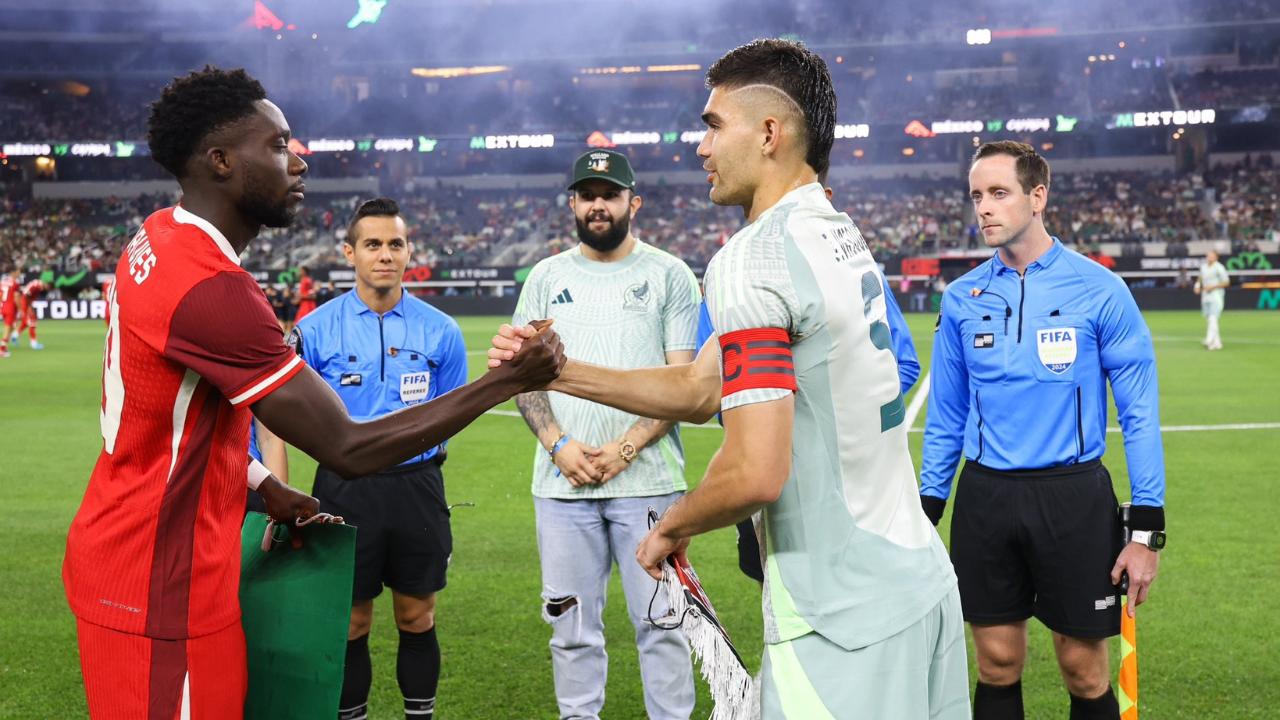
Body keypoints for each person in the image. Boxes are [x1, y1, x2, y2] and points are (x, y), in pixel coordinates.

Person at [62, 66, 563, 720]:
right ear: (219, 161)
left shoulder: (158, 235)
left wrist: (263, 486)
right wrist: (509, 379)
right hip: (158, 584)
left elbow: (169, 424)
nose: (298, 161)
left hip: (155, 559)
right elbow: (348, 446)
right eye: (277, 146)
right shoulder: (211, 289)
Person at [492, 39, 967, 719]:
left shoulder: (753, 258)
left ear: (770, 133)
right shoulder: (835, 232)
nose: (700, 148)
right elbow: (699, 388)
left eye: (714, 125)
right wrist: (559, 371)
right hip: (919, 587)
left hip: (841, 618)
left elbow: (753, 471)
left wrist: (669, 528)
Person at [919, 141, 1166, 720]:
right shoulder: (961, 298)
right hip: (986, 499)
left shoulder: (1100, 290)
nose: (983, 208)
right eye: (976, 195)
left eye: (998, 194)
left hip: (1073, 498)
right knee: (996, 664)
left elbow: (1139, 415)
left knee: (1084, 671)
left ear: (1038, 197)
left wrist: (1146, 530)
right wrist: (926, 512)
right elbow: (947, 416)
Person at [512, 149, 699, 720]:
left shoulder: (669, 273)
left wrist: (625, 447)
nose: (598, 205)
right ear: (572, 202)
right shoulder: (545, 277)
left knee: (663, 627)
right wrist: (558, 445)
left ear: (632, 202)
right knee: (570, 630)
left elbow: (683, 382)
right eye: (587, 194)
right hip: (561, 486)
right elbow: (522, 378)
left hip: (648, 483)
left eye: (610, 194)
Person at [291, 197, 467, 720]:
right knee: (350, 622)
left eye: (395, 244)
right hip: (345, 488)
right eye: (372, 244)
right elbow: (284, 412)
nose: (384, 255)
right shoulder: (317, 330)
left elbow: (452, 412)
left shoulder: (442, 331)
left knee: (417, 616)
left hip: (417, 488)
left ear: (409, 251)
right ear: (349, 252)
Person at [1194, 250, 1229, 350]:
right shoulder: (1203, 267)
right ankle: (1217, 342)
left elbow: (1226, 282)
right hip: (1205, 296)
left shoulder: (1219, 267)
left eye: (1211, 256)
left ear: (1216, 257)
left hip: (1216, 295)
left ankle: (1209, 340)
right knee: (1209, 319)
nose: (1209, 257)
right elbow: (1199, 278)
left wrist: (1213, 286)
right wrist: (1197, 286)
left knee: (1213, 318)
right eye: (1208, 255)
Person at [17, 275, 47, 350]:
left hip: (25, 303)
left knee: (27, 322)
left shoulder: (37, 285)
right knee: (32, 321)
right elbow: (26, 296)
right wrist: (29, 308)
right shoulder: (36, 286)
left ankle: (15, 335)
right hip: (25, 304)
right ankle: (33, 343)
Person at [0, 268, 18, 358]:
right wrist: (20, 309)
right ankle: (2, 349)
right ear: (13, 272)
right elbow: (16, 297)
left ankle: (4, 346)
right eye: (18, 272)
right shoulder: (14, 283)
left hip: (3, 306)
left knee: (11, 327)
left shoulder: (3, 282)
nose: (19, 273)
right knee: (8, 328)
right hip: (10, 307)